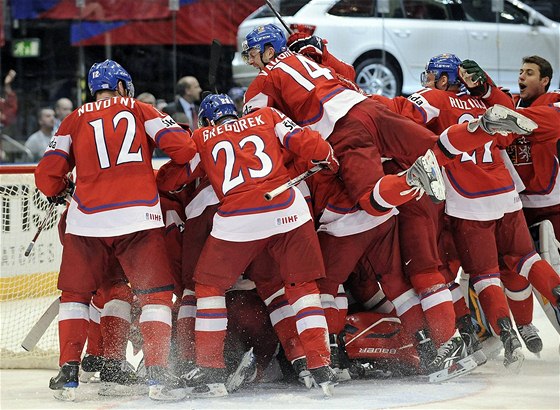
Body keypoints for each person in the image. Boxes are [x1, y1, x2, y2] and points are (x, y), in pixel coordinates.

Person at [34, 59, 197, 402]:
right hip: (139, 220)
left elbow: (46, 175)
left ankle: (68, 372)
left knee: (76, 297)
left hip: (86, 222)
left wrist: (61, 188)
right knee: (154, 297)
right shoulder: (141, 109)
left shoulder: (74, 118)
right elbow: (184, 149)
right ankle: (157, 375)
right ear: (122, 85)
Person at [157, 93, 339, 397]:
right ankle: (319, 364)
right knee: (302, 287)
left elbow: (173, 179)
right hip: (289, 210)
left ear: (205, 120)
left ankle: (210, 368)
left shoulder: (202, 137)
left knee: (208, 287)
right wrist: (328, 156)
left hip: (239, 217)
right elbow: (308, 143)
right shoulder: (266, 116)